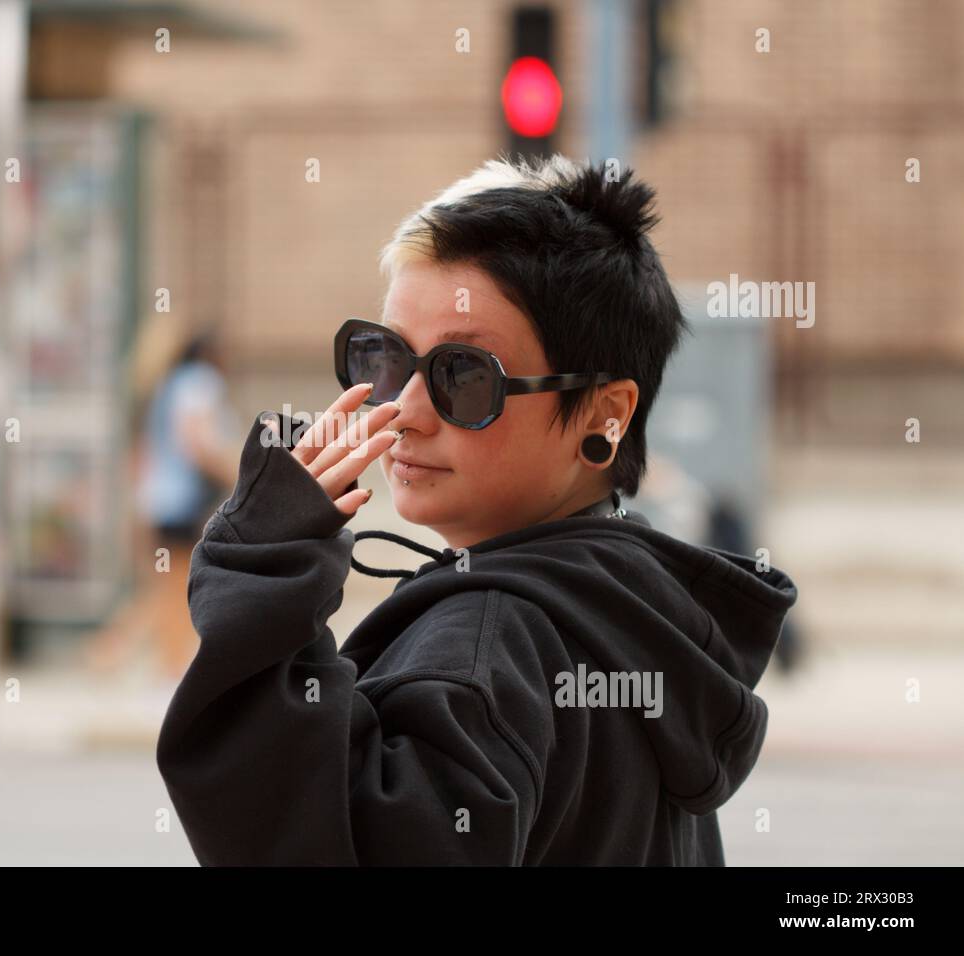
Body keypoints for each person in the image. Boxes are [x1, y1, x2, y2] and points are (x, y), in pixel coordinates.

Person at [156, 154, 799, 865]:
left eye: (464, 374)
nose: (402, 411)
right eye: (386, 357)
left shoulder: (486, 648)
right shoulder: (630, 611)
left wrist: (261, 579)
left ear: (604, 416)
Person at [88, 325, 240, 682]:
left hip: (157, 503)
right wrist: (238, 472)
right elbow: (198, 440)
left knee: (166, 586)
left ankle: (120, 652)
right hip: (183, 504)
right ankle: (162, 668)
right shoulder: (199, 381)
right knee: (181, 590)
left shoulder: (163, 388)